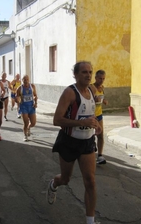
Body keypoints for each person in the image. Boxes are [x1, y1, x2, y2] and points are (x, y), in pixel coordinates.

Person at [47, 61, 101, 224]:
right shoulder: (69, 93)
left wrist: (95, 124)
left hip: (87, 143)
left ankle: (90, 221)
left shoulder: (92, 90)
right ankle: (54, 183)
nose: (88, 75)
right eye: (84, 72)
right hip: (69, 142)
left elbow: (90, 114)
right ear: (76, 75)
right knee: (65, 179)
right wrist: (80, 124)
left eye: (90, 72)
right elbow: (57, 120)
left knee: (90, 181)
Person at [90, 70, 108, 165]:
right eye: (100, 78)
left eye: (103, 78)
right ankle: (90, 153)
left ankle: (100, 155)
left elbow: (101, 97)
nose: (102, 80)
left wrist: (104, 100)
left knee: (100, 135)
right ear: (96, 78)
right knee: (91, 135)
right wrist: (94, 99)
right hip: (91, 115)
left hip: (99, 114)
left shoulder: (102, 88)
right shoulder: (91, 88)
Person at [15, 75, 37, 141]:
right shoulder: (19, 88)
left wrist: (36, 103)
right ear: (22, 80)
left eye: (27, 79)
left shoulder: (32, 86)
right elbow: (17, 98)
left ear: (29, 80)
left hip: (31, 107)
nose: (26, 80)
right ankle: (25, 136)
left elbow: (35, 95)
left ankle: (29, 128)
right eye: (24, 79)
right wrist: (17, 100)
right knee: (26, 123)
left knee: (33, 123)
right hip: (24, 107)